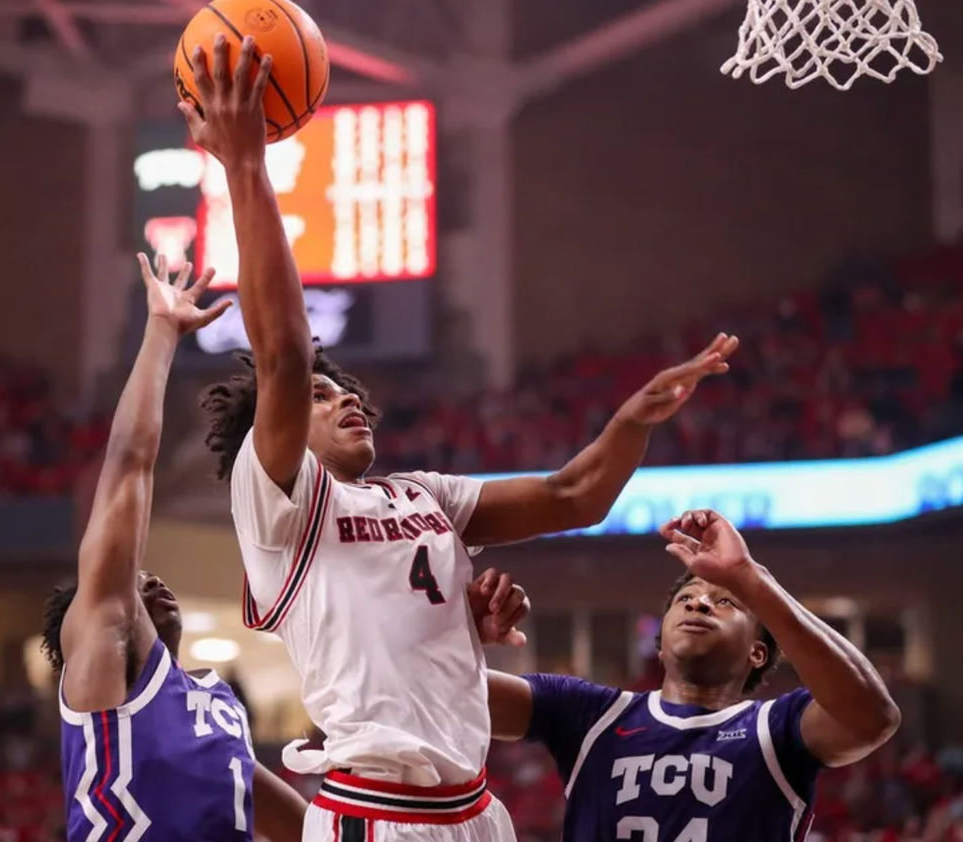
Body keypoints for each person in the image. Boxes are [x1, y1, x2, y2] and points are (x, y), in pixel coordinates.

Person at [180, 32, 736, 841]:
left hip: (477, 810)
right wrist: (244, 164)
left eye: (354, 394)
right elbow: (287, 355)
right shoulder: (276, 507)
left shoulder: (423, 497)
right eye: (325, 399)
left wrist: (632, 420)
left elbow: (575, 495)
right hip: (376, 813)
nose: (349, 404)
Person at [40, 255, 307, 842]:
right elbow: (129, 466)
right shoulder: (104, 670)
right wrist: (161, 333)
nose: (150, 581)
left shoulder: (216, 710)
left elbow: (308, 829)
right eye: (135, 585)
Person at [487, 509, 902, 841]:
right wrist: (456, 632)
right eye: (685, 598)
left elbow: (872, 717)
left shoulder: (777, 729)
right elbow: (444, 695)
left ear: (757, 652)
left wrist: (750, 578)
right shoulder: (590, 714)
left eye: (724, 601)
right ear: (661, 646)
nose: (699, 605)